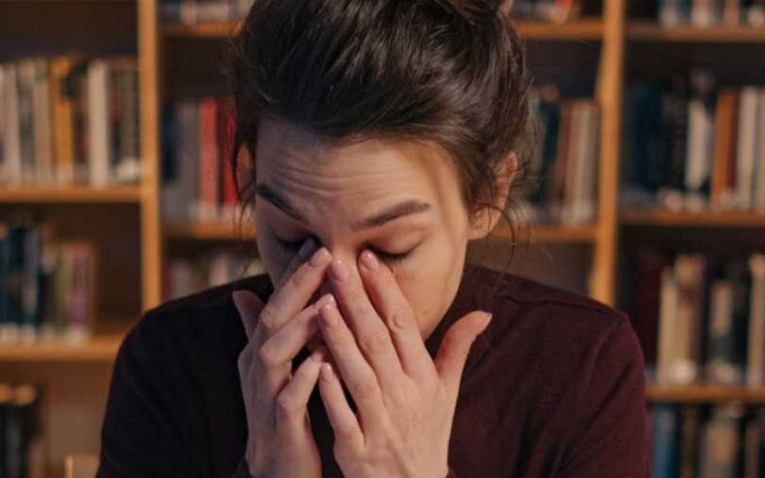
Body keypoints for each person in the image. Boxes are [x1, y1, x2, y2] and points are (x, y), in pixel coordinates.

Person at [97, 0, 649, 477]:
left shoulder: (582, 367)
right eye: (292, 237)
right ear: (248, 179)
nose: (334, 299)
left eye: (389, 249)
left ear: (486, 199)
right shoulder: (169, 362)